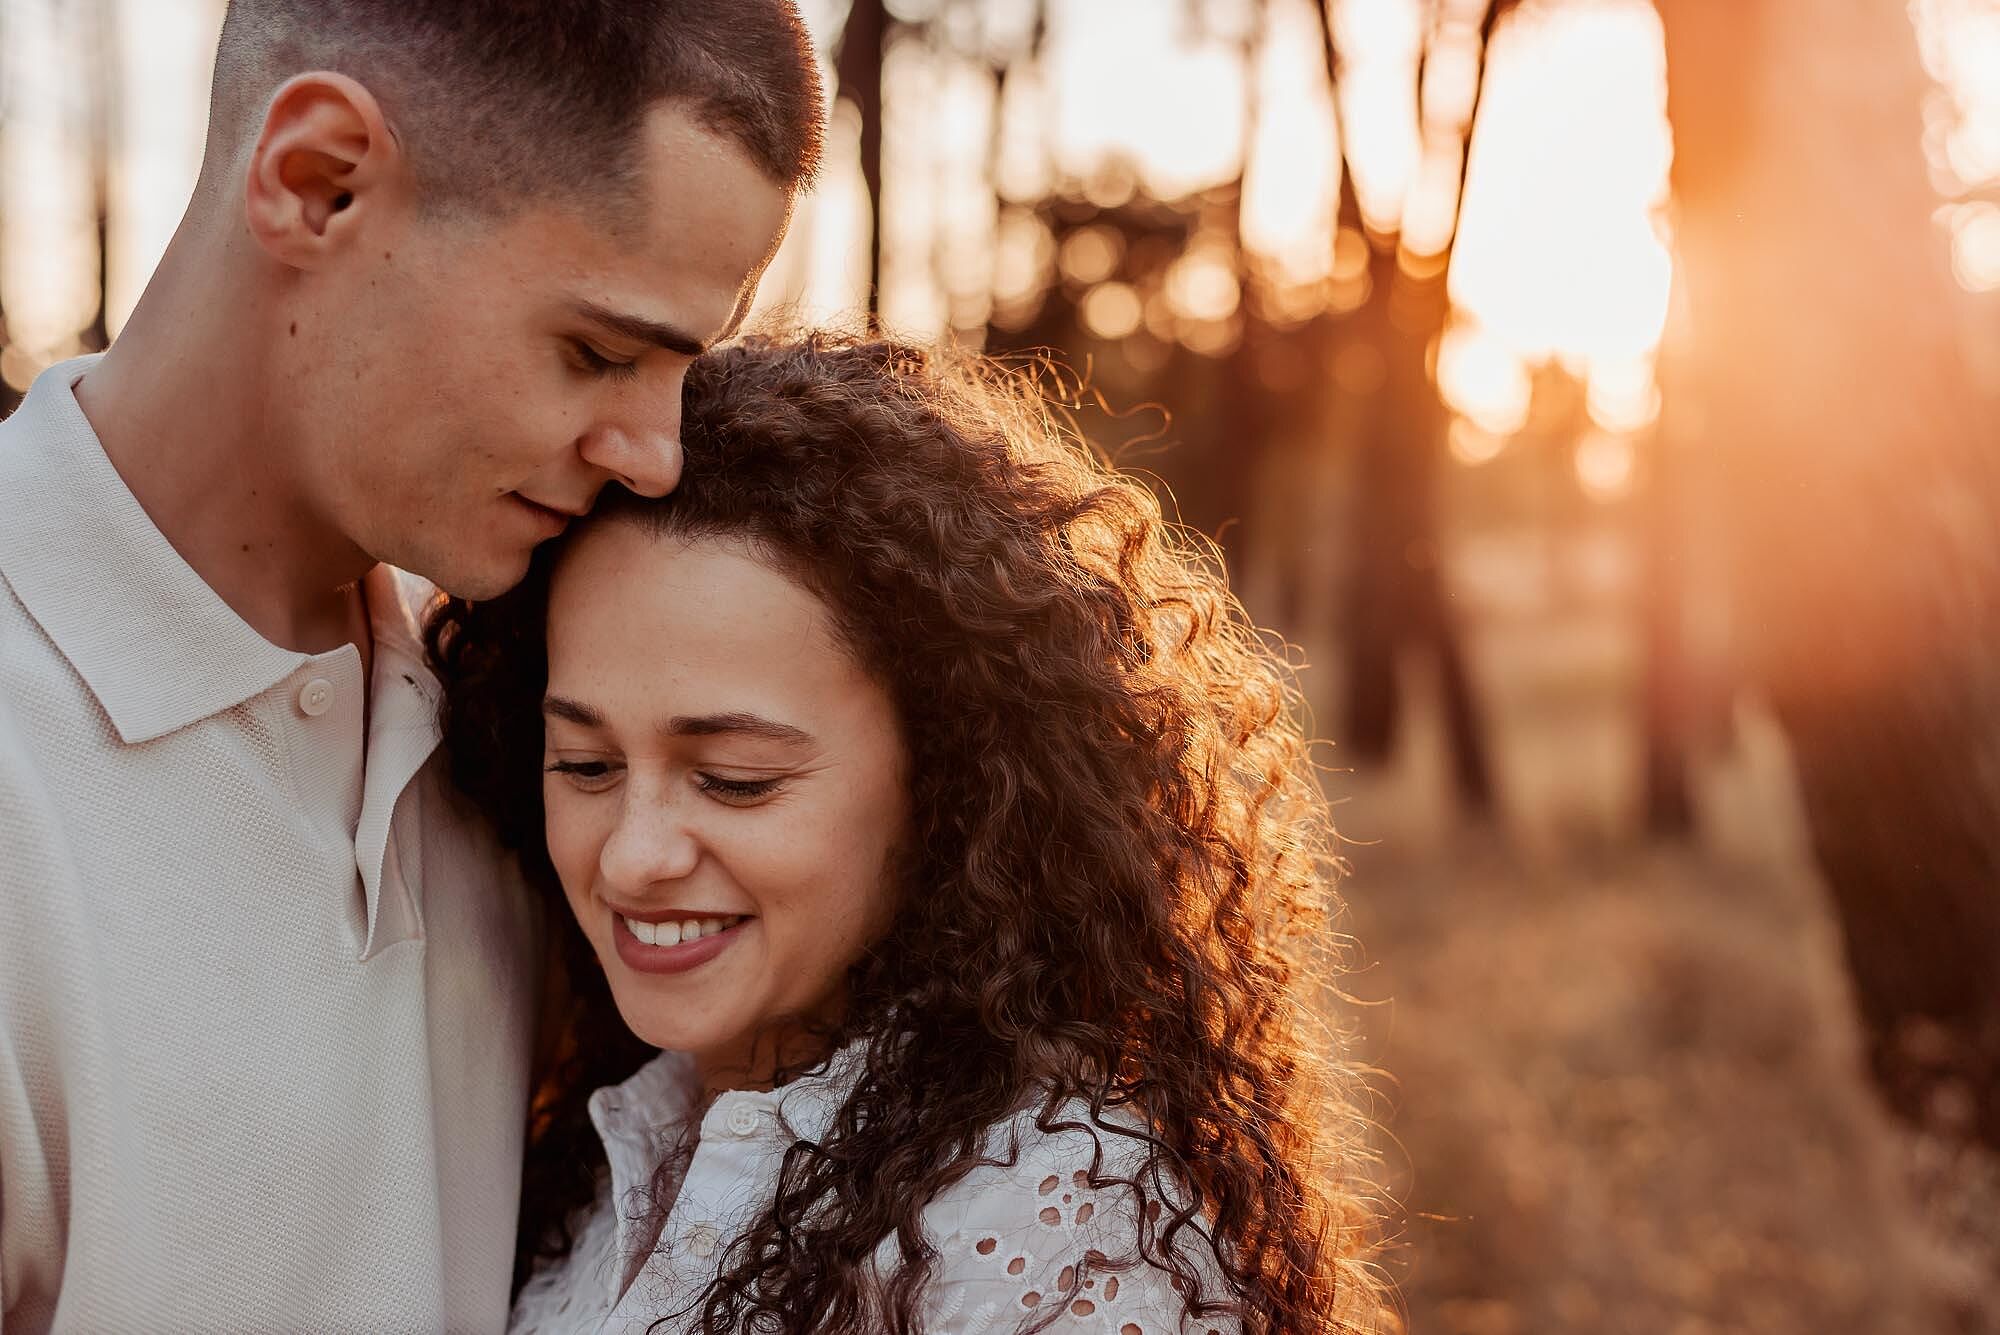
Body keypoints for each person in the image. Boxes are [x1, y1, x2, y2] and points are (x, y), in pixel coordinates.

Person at [0, 4, 822, 1330]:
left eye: (681, 372)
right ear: (317, 182)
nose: (656, 455)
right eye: (598, 352)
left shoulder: (535, 717)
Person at [428, 333, 1389, 1334]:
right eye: (586, 765)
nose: (633, 855)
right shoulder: (599, 1135)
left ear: (949, 782)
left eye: (735, 780)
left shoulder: (1056, 1243)